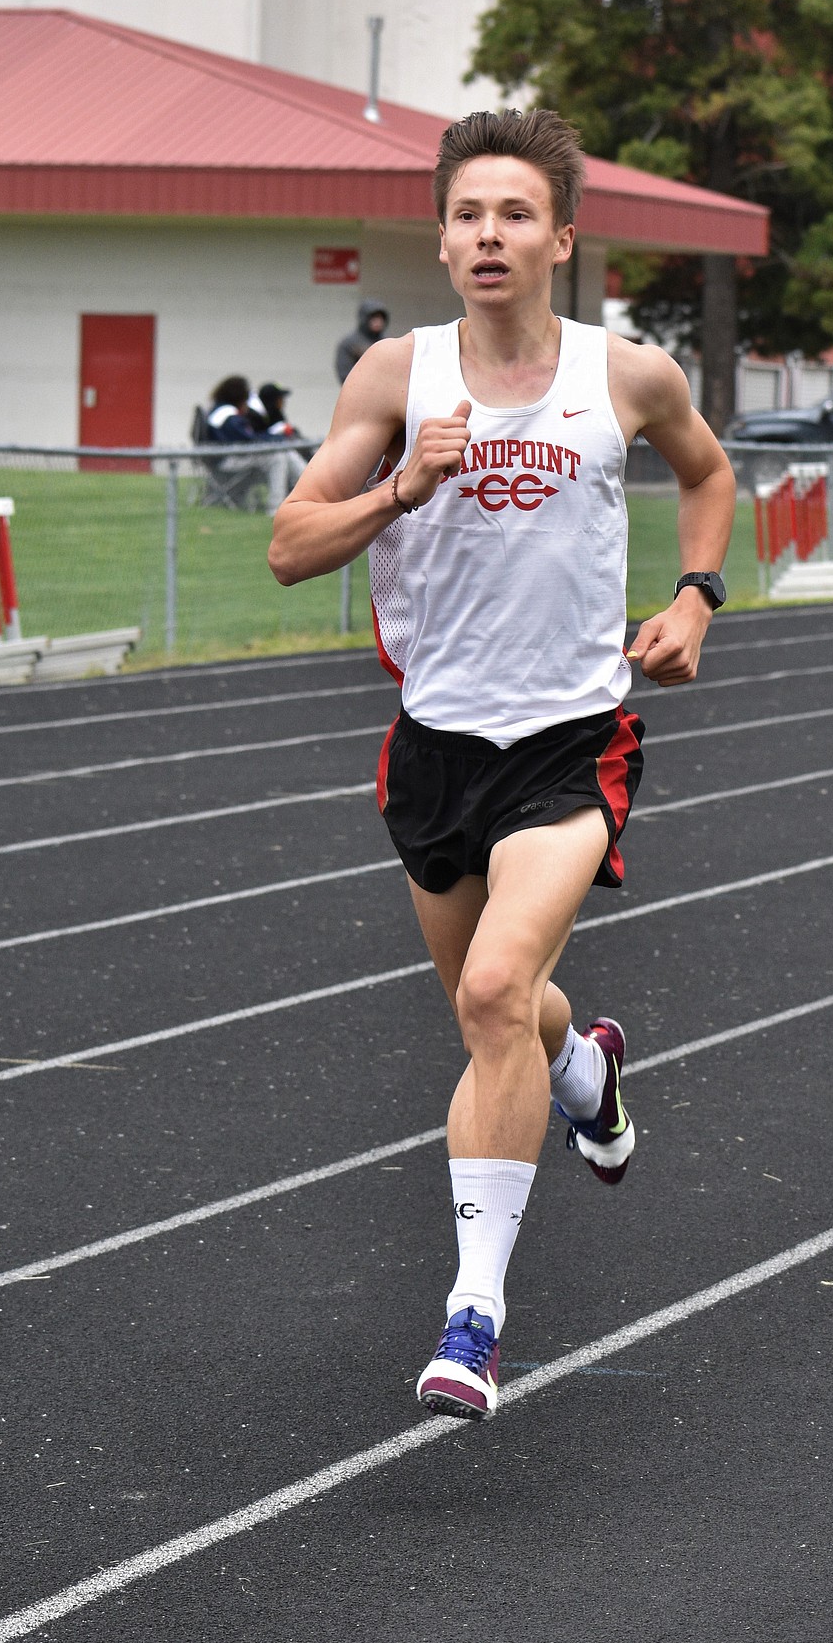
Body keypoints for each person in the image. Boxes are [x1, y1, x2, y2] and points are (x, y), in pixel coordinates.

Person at [269, 109, 734, 1422]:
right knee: (509, 1012)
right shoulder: (393, 380)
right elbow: (293, 548)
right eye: (467, 214)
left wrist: (694, 599)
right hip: (434, 748)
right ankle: (582, 1067)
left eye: (514, 214)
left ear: (559, 238)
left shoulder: (625, 374)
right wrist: (398, 494)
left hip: (572, 739)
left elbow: (707, 474)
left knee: (487, 989)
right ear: (441, 236)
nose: (488, 235)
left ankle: (472, 1315)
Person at [334, 299, 390, 383]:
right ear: (364, 318)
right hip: (359, 392)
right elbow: (345, 375)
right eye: (374, 318)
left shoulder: (388, 343)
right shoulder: (349, 344)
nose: (378, 322)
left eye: (380, 318)